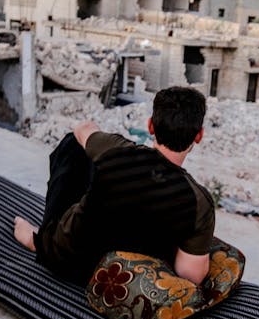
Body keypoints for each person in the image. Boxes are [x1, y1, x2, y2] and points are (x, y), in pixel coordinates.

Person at [14, 86, 214, 286]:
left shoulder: (115, 150)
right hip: (121, 282)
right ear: (199, 135)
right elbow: (191, 276)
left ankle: (38, 241)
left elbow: (82, 129)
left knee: (74, 145)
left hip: (64, 260)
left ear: (151, 126)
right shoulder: (200, 202)